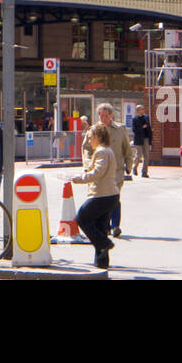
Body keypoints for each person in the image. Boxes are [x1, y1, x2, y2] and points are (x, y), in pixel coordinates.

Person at [67, 123, 119, 269]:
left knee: (81, 218)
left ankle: (104, 244)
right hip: (110, 195)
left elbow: (98, 172)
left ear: (98, 137)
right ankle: (102, 261)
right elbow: (95, 169)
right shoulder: (106, 150)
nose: (89, 141)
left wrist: (80, 178)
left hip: (101, 195)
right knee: (100, 227)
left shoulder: (102, 151)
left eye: (90, 138)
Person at [83, 103, 133, 236]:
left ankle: (115, 226)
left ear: (111, 115)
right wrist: (88, 165)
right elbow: (86, 150)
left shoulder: (120, 129)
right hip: (98, 171)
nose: (103, 118)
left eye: (106, 115)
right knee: (100, 198)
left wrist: (129, 165)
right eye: (101, 115)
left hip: (116, 171)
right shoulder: (93, 130)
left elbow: (127, 149)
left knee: (114, 197)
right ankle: (103, 226)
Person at [130, 104, 152, 178]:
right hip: (138, 139)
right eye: (142, 109)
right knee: (138, 155)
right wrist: (142, 127)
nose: (143, 111)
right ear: (138, 111)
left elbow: (149, 127)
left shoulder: (146, 117)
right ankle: (134, 167)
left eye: (143, 109)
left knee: (146, 156)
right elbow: (134, 130)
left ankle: (144, 172)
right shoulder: (135, 119)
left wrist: (150, 137)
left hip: (146, 138)